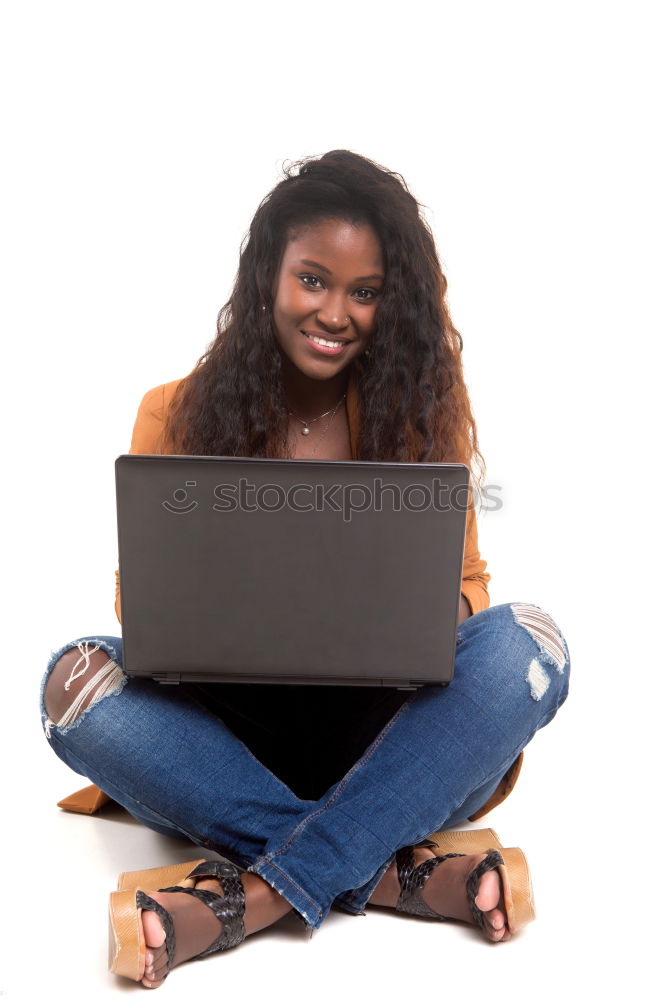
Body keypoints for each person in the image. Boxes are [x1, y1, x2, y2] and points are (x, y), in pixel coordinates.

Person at [40, 150, 570, 988]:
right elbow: (139, 603)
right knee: (72, 683)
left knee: (531, 645)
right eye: (313, 281)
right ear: (267, 279)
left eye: (364, 292)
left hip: (383, 737)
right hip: (225, 741)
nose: (336, 312)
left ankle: (248, 896)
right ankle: (397, 874)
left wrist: (425, 619)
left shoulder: (426, 410)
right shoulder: (171, 410)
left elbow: (473, 585)